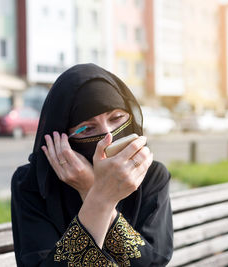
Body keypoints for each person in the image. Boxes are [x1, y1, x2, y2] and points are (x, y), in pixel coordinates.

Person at [11, 63, 173, 266]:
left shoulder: (151, 175)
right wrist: (101, 197)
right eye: (87, 128)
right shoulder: (32, 183)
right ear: (61, 137)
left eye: (116, 118)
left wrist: (90, 188)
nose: (108, 136)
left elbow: (153, 263)